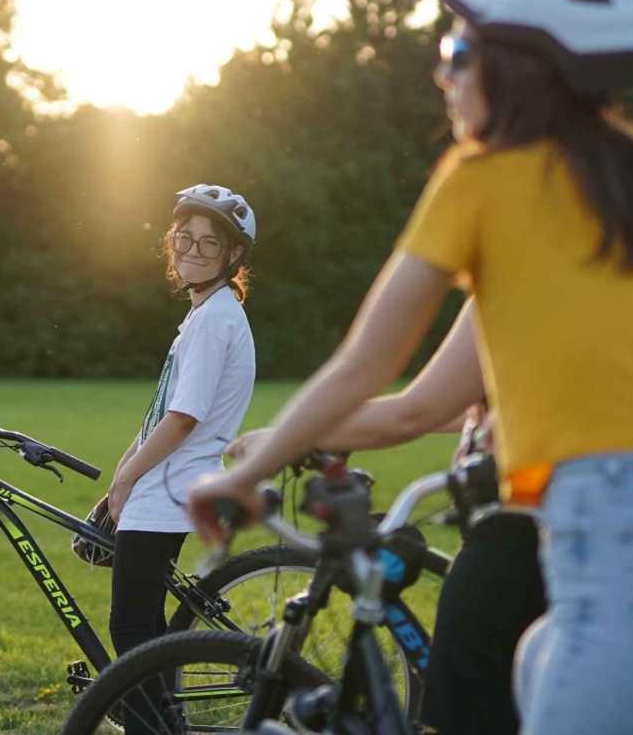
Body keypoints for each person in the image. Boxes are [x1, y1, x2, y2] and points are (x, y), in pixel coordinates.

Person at [188, 0, 633, 734]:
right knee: (532, 661)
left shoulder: (484, 177)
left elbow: (365, 364)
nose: (441, 75)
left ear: (519, 69)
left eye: (456, 52)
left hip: (632, 559)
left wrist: (247, 472)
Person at [226, 303, 546, 735]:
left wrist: (287, 439)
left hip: (508, 540)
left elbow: (414, 410)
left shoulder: (512, 278)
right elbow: (461, 404)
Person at [102, 185, 256, 733]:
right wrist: (123, 472)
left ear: (232, 256)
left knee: (133, 628)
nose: (191, 251)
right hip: (164, 484)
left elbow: (183, 418)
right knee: (149, 628)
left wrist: (127, 480)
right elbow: (159, 413)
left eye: (207, 245)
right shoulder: (204, 314)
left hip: (168, 489)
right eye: (183, 239)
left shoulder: (215, 318)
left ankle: (153, 729)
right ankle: (165, 724)